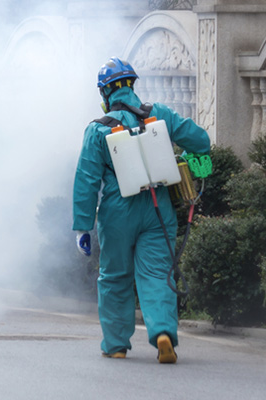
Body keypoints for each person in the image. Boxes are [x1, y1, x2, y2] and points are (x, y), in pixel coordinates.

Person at [72, 57, 210, 363]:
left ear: (105, 94)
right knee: (158, 273)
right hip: (157, 209)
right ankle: (163, 333)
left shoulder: (97, 130)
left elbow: (86, 179)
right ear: (132, 84)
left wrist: (82, 226)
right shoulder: (158, 114)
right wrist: (188, 157)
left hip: (117, 211)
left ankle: (116, 345)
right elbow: (201, 140)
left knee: (115, 276)